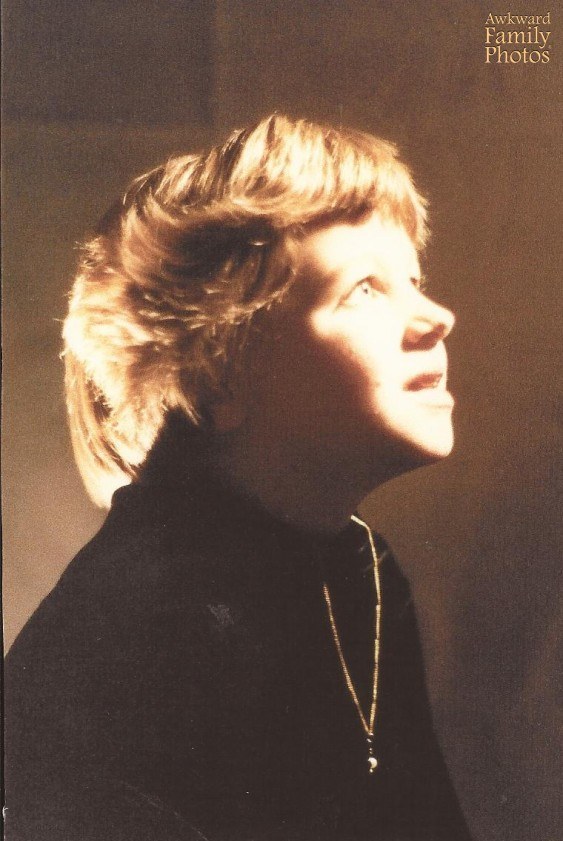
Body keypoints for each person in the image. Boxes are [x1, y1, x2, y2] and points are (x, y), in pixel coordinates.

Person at [5, 115, 472, 840]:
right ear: (220, 370)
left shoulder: (363, 571)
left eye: (414, 281)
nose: (437, 318)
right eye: (364, 289)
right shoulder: (131, 631)